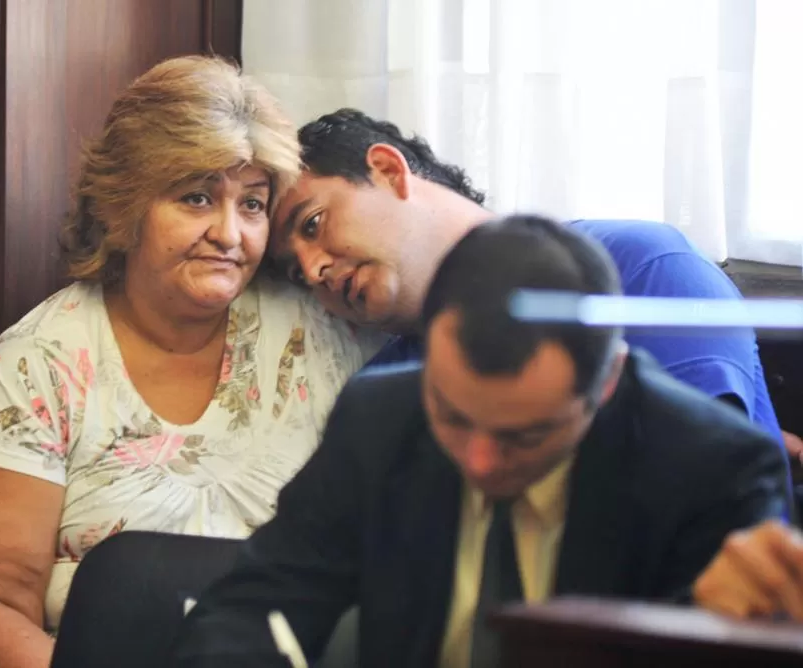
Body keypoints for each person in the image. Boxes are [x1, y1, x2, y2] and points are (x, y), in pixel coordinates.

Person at [171, 215, 789, 667]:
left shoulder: (712, 469)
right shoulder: (381, 417)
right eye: (455, 416)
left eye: (525, 435)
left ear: (607, 385)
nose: (481, 461)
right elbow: (257, 602)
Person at [0, 57, 382, 668]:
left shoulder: (322, 329)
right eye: (197, 198)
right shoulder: (38, 365)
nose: (230, 233)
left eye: (252, 204)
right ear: (126, 205)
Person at [266, 108, 791, 458]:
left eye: (313, 224)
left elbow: (704, 498)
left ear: (386, 170)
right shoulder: (379, 394)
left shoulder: (641, 268)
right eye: (296, 272)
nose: (314, 271)